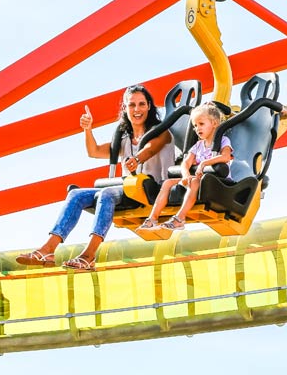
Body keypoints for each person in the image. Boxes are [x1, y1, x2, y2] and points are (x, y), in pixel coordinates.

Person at [16, 84, 175, 271]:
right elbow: (94, 151)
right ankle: (48, 249)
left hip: (153, 192)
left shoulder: (162, 132)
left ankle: (89, 255)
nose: (137, 109)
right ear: (125, 108)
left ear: (149, 106)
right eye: (132, 105)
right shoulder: (124, 139)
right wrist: (88, 129)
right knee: (76, 195)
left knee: (106, 193)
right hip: (129, 190)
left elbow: (151, 148)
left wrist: (137, 158)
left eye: (141, 104)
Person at [138, 102, 232, 232]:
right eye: (195, 125)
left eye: (201, 124)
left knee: (193, 181)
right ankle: (152, 218)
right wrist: (185, 174)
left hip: (217, 182)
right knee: (167, 183)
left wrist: (204, 163)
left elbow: (226, 157)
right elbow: (185, 163)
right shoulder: (198, 146)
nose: (197, 128)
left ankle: (180, 219)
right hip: (197, 178)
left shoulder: (223, 140)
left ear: (214, 123)